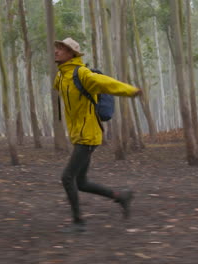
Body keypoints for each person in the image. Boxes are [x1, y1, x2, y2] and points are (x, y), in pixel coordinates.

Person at [53, 37, 142, 232]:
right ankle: (121, 196)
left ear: (71, 54)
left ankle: (79, 222)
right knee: (81, 182)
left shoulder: (82, 74)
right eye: (57, 47)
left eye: (61, 48)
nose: (56, 51)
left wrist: (131, 91)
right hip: (78, 135)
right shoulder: (60, 77)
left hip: (89, 136)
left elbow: (106, 83)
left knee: (67, 178)